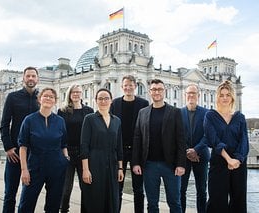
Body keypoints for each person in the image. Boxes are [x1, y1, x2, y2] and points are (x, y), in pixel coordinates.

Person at [132, 79, 186, 213]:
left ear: (164, 91)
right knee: (152, 203)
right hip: (149, 165)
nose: (157, 92)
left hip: (171, 165)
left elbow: (181, 140)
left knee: (174, 202)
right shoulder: (142, 112)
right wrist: (135, 163)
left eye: (160, 89)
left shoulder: (175, 112)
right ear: (150, 92)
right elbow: (137, 139)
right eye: (154, 89)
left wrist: (181, 164)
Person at [17, 87, 69, 212]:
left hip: (57, 167)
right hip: (35, 166)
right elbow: (23, 146)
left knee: (54, 204)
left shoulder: (60, 121)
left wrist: (66, 159)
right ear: (40, 99)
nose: (48, 98)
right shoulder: (29, 120)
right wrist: (24, 170)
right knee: (26, 204)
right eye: (45, 96)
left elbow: (63, 144)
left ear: (55, 101)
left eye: (51, 97)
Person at [204, 80, 249, 213]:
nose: (224, 98)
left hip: (238, 164)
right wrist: (228, 159)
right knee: (216, 201)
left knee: (238, 201)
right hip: (219, 162)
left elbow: (244, 140)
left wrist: (238, 160)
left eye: (227, 95)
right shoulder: (210, 115)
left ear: (232, 97)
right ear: (217, 97)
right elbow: (213, 140)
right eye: (221, 95)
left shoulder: (240, 117)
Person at [0, 66, 39, 213]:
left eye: (33, 76)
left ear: (37, 79)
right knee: (10, 193)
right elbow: (4, 124)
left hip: (33, 154)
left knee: (27, 195)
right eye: (28, 76)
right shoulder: (12, 97)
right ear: (23, 78)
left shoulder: (41, 99)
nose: (30, 78)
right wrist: (8, 147)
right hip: (15, 153)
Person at [80, 88, 124, 213]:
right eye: (100, 98)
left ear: (111, 101)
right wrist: (85, 169)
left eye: (106, 98)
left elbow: (119, 146)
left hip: (112, 164)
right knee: (94, 198)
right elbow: (84, 145)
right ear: (96, 101)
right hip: (94, 163)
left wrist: (120, 168)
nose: (103, 101)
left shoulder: (117, 121)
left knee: (112, 198)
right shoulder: (89, 119)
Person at [110, 75, 149, 213]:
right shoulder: (114, 104)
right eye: (125, 85)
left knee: (138, 188)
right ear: (122, 87)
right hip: (119, 150)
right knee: (118, 187)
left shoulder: (143, 104)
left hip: (137, 151)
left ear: (135, 87)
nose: (128, 88)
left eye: (131, 85)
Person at [58, 85, 93, 213]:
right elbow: (60, 133)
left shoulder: (89, 111)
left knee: (86, 186)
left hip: (84, 153)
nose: (76, 94)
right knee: (66, 188)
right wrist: (63, 152)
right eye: (73, 92)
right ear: (69, 94)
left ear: (82, 94)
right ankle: (64, 210)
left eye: (78, 92)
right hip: (68, 153)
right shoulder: (62, 111)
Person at [180, 84, 210, 213]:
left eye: (194, 93)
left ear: (198, 96)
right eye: (189, 93)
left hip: (201, 156)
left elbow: (208, 135)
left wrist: (196, 150)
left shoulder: (207, 113)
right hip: (183, 156)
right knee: (181, 189)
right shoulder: (179, 113)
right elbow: (177, 135)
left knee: (202, 190)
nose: (191, 95)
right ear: (185, 95)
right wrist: (188, 151)